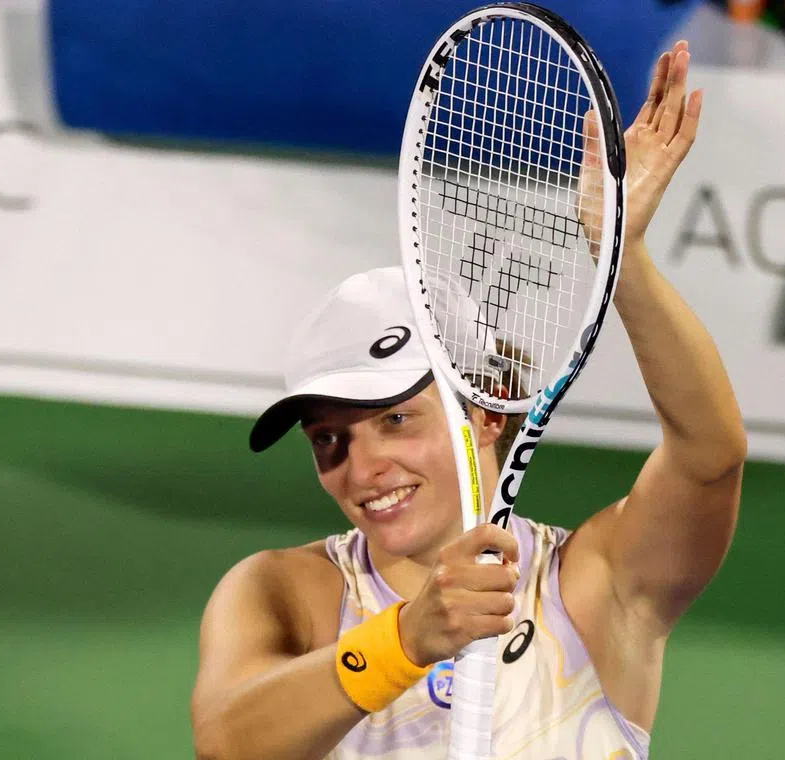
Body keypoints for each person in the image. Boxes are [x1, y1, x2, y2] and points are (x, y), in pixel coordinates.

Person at [191, 40, 745, 760]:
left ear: (488, 407)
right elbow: (227, 743)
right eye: (330, 440)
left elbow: (709, 458)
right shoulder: (283, 591)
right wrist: (407, 638)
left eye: (395, 419)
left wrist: (622, 255)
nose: (363, 469)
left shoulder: (593, 584)